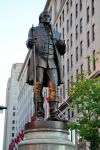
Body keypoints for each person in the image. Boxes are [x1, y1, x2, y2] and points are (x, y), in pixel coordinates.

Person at [26, 10, 66, 121]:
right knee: (37, 87)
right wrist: (30, 43)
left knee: (54, 88)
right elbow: (29, 42)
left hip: (52, 62)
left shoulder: (56, 33)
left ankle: (54, 114)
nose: (47, 17)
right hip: (39, 61)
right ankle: (39, 114)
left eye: (48, 16)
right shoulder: (34, 30)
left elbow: (62, 51)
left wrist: (62, 45)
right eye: (45, 16)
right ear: (40, 18)